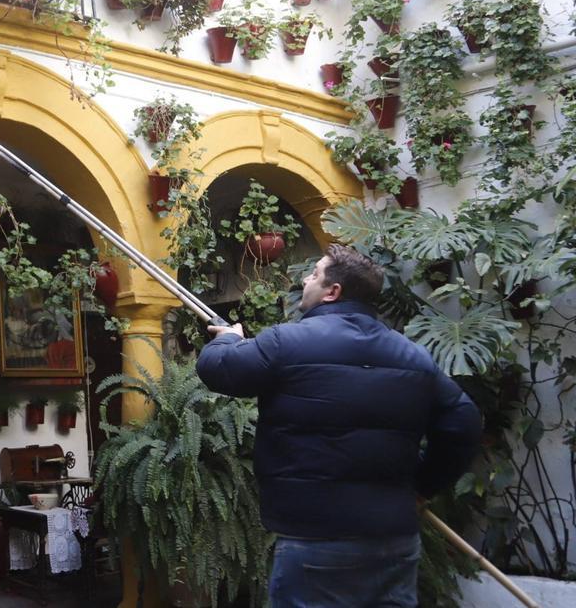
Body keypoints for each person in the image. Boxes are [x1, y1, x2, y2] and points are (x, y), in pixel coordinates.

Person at [195, 243, 481, 608]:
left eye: (314, 274)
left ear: (333, 292)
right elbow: (464, 420)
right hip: (393, 539)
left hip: (317, 541)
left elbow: (219, 370)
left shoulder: (286, 342)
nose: (304, 279)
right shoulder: (412, 355)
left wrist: (230, 340)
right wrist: (423, 486)